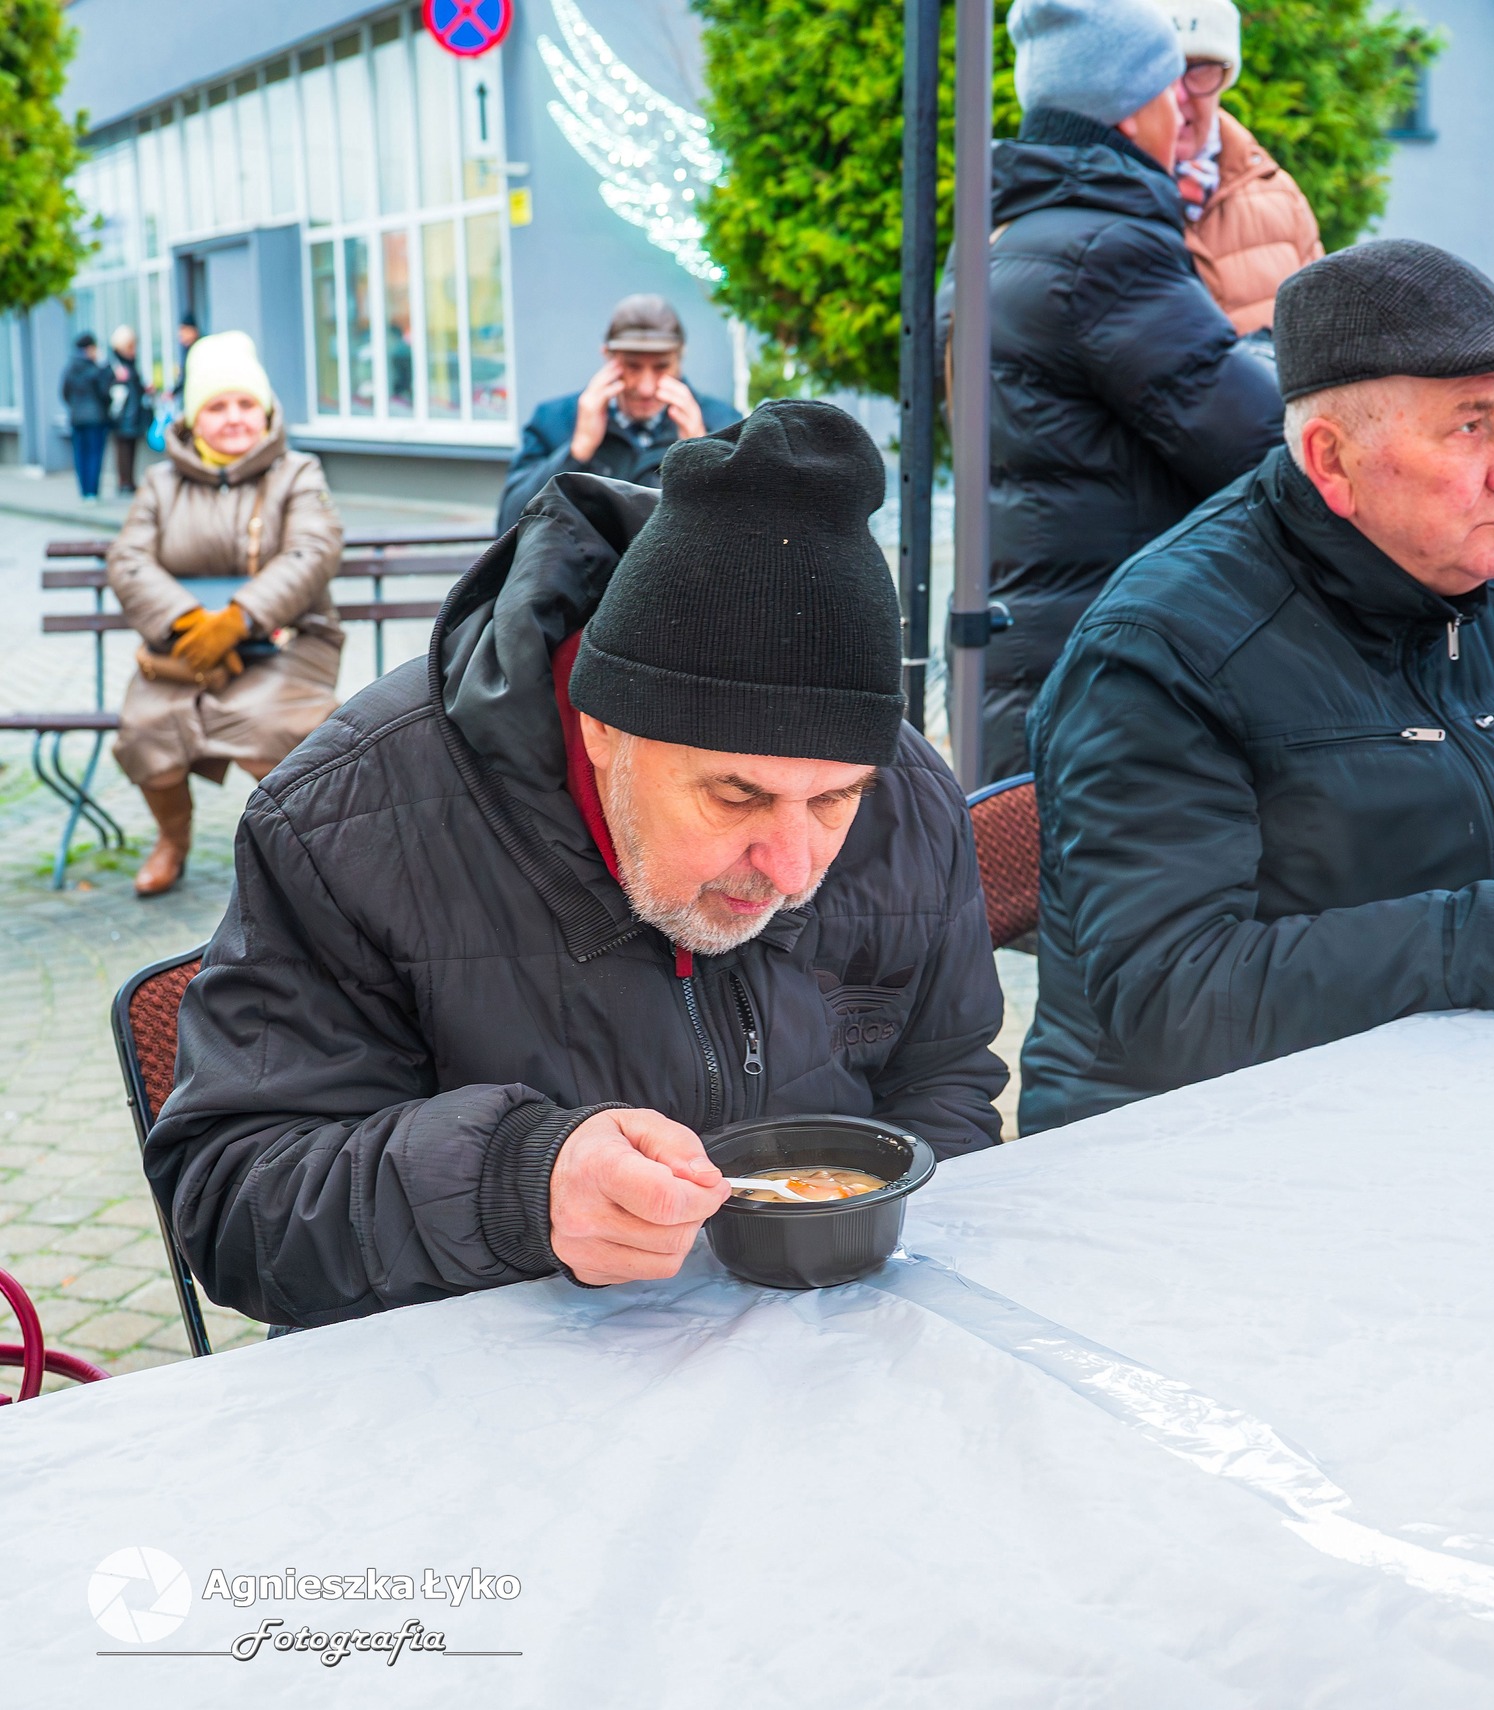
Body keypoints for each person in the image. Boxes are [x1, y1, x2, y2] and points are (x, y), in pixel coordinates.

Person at [146, 401, 1006, 1328]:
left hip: (824, 1347)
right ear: (601, 731)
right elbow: (231, 1200)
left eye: (834, 801)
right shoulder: (345, 820)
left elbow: (944, 1078)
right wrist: (514, 1187)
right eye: (735, 797)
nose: (793, 869)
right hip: (477, 1379)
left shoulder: (911, 796)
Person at [1021, 241, 1494, 1131]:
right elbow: (1170, 1004)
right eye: (1471, 427)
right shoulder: (1161, 648)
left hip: (1444, 1092)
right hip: (1188, 1140)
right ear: (1332, 460)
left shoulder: (1486, 590)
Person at [936, 0, 1282, 784]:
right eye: (1169, 90)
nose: (1183, 110)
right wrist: (1271, 351)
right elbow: (1257, 441)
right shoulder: (1106, 252)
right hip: (1099, 668)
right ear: (1130, 110)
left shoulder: (998, 239)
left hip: (1022, 650)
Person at [107, 332, 345, 896]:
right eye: (216, 406)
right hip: (182, 651)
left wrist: (237, 620)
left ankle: (301, 850)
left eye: (245, 403)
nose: (234, 418)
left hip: (285, 643)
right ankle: (173, 840)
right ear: (194, 419)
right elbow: (128, 559)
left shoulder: (297, 472)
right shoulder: (160, 483)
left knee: (272, 725)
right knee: (146, 729)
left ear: (265, 411)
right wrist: (189, 623)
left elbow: (313, 551)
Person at [496, 294, 741, 531]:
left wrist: (702, 456)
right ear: (608, 356)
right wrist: (576, 451)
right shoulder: (553, 420)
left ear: (680, 357)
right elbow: (510, 524)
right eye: (632, 366)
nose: (646, 388)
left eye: (661, 367)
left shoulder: (724, 423)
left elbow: (741, 532)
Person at [1167, 0, 1322, 334]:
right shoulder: (1102, 196)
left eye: (1199, 69)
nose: (1179, 95)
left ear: (1225, 76)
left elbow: (1321, 337)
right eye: (1163, 70)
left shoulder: (1280, 196)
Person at [60, 333, 113, 501]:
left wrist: (75, 408)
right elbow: (105, 392)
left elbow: (65, 393)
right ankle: (92, 492)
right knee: (94, 455)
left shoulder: (70, 369)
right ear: (90, 348)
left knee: (80, 455)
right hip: (96, 419)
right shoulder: (95, 369)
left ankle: (84, 491)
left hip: (76, 419)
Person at [106, 326, 154, 496]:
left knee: (132, 447)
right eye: (130, 346)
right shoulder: (114, 365)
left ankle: (130, 481)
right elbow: (106, 388)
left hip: (134, 413)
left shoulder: (131, 364)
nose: (133, 350)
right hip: (122, 415)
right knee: (123, 448)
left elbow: (135, 387)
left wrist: (145, 389)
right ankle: (124, 481)